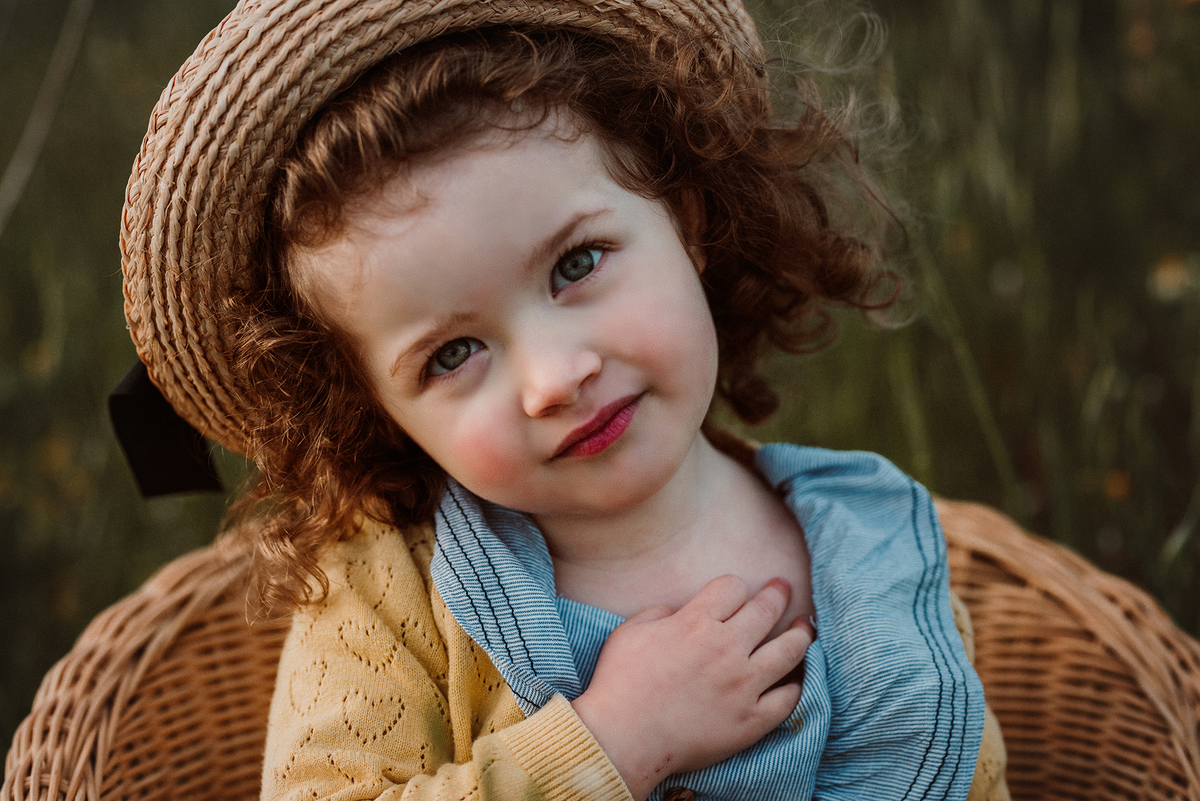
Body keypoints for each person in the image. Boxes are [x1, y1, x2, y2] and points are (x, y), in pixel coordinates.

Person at [118, 1, 1009, 799]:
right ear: (375, 409)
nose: (553, 378)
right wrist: (615, 740)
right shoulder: (389, 590)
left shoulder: (877, 549)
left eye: (576, 264)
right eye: (453, 353)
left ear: (685, 219)